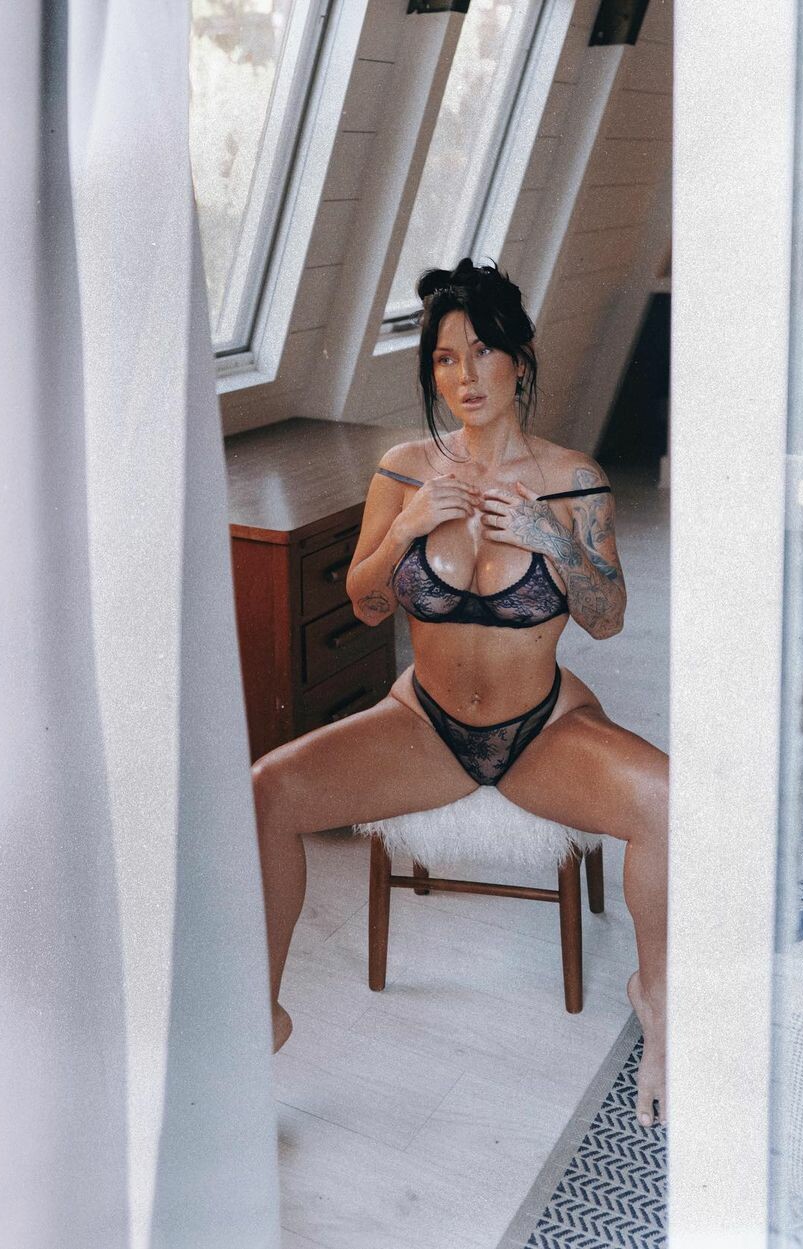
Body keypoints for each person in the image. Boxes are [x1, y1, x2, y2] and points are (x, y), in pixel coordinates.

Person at [251, 257, 669, 1128]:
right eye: (445, 358)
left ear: (520, 357)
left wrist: (556, 542)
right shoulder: (404, 471)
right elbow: (366, 605)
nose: (464, 376)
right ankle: (260, 1015)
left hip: (540, 729)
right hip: (425, 724)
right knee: (267, 790)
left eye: (481, 351)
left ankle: (657, 998)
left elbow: (608, 619)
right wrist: (404, 528)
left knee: (670, 798)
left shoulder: (575, 480)